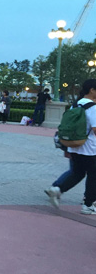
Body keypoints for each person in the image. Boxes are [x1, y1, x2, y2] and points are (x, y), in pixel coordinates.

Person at [44, 79, 96, 214]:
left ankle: (57, 189)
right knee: (93, 175)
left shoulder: (76, 104)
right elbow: (95, 129)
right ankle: (88, 205)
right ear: (92, 90)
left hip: (74, 146)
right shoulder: (93, 107)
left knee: (78, 173)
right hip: (90, 148)